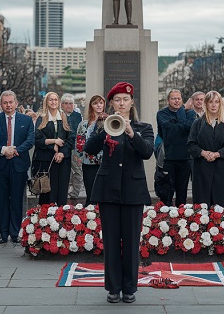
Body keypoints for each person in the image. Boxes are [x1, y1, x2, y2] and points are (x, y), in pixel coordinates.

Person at [84, 82, 153, 304]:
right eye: (117, 100)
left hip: (133, 191)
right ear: (112, 104)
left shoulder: (144, 127)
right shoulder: (104, 124)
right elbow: (90, 149)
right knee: (111, 241)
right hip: (108, 190)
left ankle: (130, 288)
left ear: (132, 102)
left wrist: (132, 133)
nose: (121, 103)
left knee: (132, 242)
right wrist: (102, 129)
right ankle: (113, 288)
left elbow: (147, 152)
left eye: (125, 99)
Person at [0, 91, 35, 244]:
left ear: (16, 103)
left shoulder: (26, 120)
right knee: (2, 200)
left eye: (11, 102)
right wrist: (3, 150)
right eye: (5, 102)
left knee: (17, 200)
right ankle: (3, 233)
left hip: (18, 165)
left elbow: (30, 140)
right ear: (1, 104)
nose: (8, 105)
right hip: (0, 165)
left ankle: (15, 232)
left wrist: (14, 150)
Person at [187, 91, 224, 208]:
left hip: (222, 169)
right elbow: (191, 144)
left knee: (220, 206)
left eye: (217, 102)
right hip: (202, 169)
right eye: (210, 102)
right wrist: (203, 153)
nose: (214, 105)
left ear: (220, 104)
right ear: (206, 104)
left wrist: (218, 154)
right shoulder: (198, 123)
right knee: (202, 206)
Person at [33, 92, 74, 206]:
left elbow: (71, 138)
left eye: (55, 99)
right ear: (46, 102)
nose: (53, 102)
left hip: (62, 160)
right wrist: (54, 144)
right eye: (51, 100)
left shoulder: (65, 117)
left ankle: (61, 218)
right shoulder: (41, 118)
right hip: (46, 160)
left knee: (61, 192)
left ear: (59, 101)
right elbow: (37, 139)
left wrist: (62, 153)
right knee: (47, 192)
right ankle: (45, 219)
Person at [156, 89, 195, 206]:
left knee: (182, 192)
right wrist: (182, 123)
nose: (176, 101)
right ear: (168, 100)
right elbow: (169, 131)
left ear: (182, 100)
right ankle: (165, 218)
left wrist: (179, 121)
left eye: (179, 98)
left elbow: (189, 128)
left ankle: (181, 218)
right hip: (169, 158)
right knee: (167, 192)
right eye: (173, 98)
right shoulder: (162, 114)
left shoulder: (191, 113)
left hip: (185, 158)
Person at [75, 95, 106, 206]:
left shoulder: (110, 122)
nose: (98, 105)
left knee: (105, 194)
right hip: (89, 163)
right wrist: (80, 159)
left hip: (106, 164)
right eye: (95, 103)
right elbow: (79, 145)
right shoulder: (83, 124)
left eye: (101, 103)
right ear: (91, 106)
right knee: (91, 194)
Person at [62, 94, 84, 203]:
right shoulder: (59, 115)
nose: (68, 106)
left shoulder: (77, 116)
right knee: (65, 171)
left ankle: (75, 193)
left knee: (77, 171)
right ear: (62, 105)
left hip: (76, 148)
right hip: (63, 146)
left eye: (70, 103)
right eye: (66, 103)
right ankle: (64, 192)